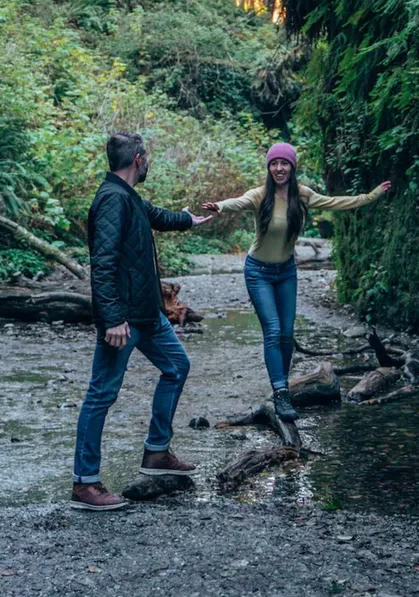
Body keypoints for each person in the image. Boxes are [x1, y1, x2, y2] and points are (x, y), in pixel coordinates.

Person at [70, 131, 212, 511]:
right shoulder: (112, 200)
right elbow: (102, 264)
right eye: (146, 155)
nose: (148, 160)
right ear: (137, 158)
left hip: (148, 315)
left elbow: (155, 216)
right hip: (124, 320)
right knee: (101, 393)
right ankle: (84, 483)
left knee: (177, 366)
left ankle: (156, 453)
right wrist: (112, 318)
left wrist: (189, 220)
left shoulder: (127, 196)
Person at [203, 142, 390, 422]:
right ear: (269, 167)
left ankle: (282, 384)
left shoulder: (303, 195)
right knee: (274, 330)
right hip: (258, 272)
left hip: (287, 272)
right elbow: (238, 202)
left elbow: (336, 202)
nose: (279, 168)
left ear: (292, 167)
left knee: (287, 334)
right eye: (274, 164)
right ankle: (280, 392)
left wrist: (371, 196)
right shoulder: (260, 195)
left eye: (284, 163)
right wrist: (219, 206)